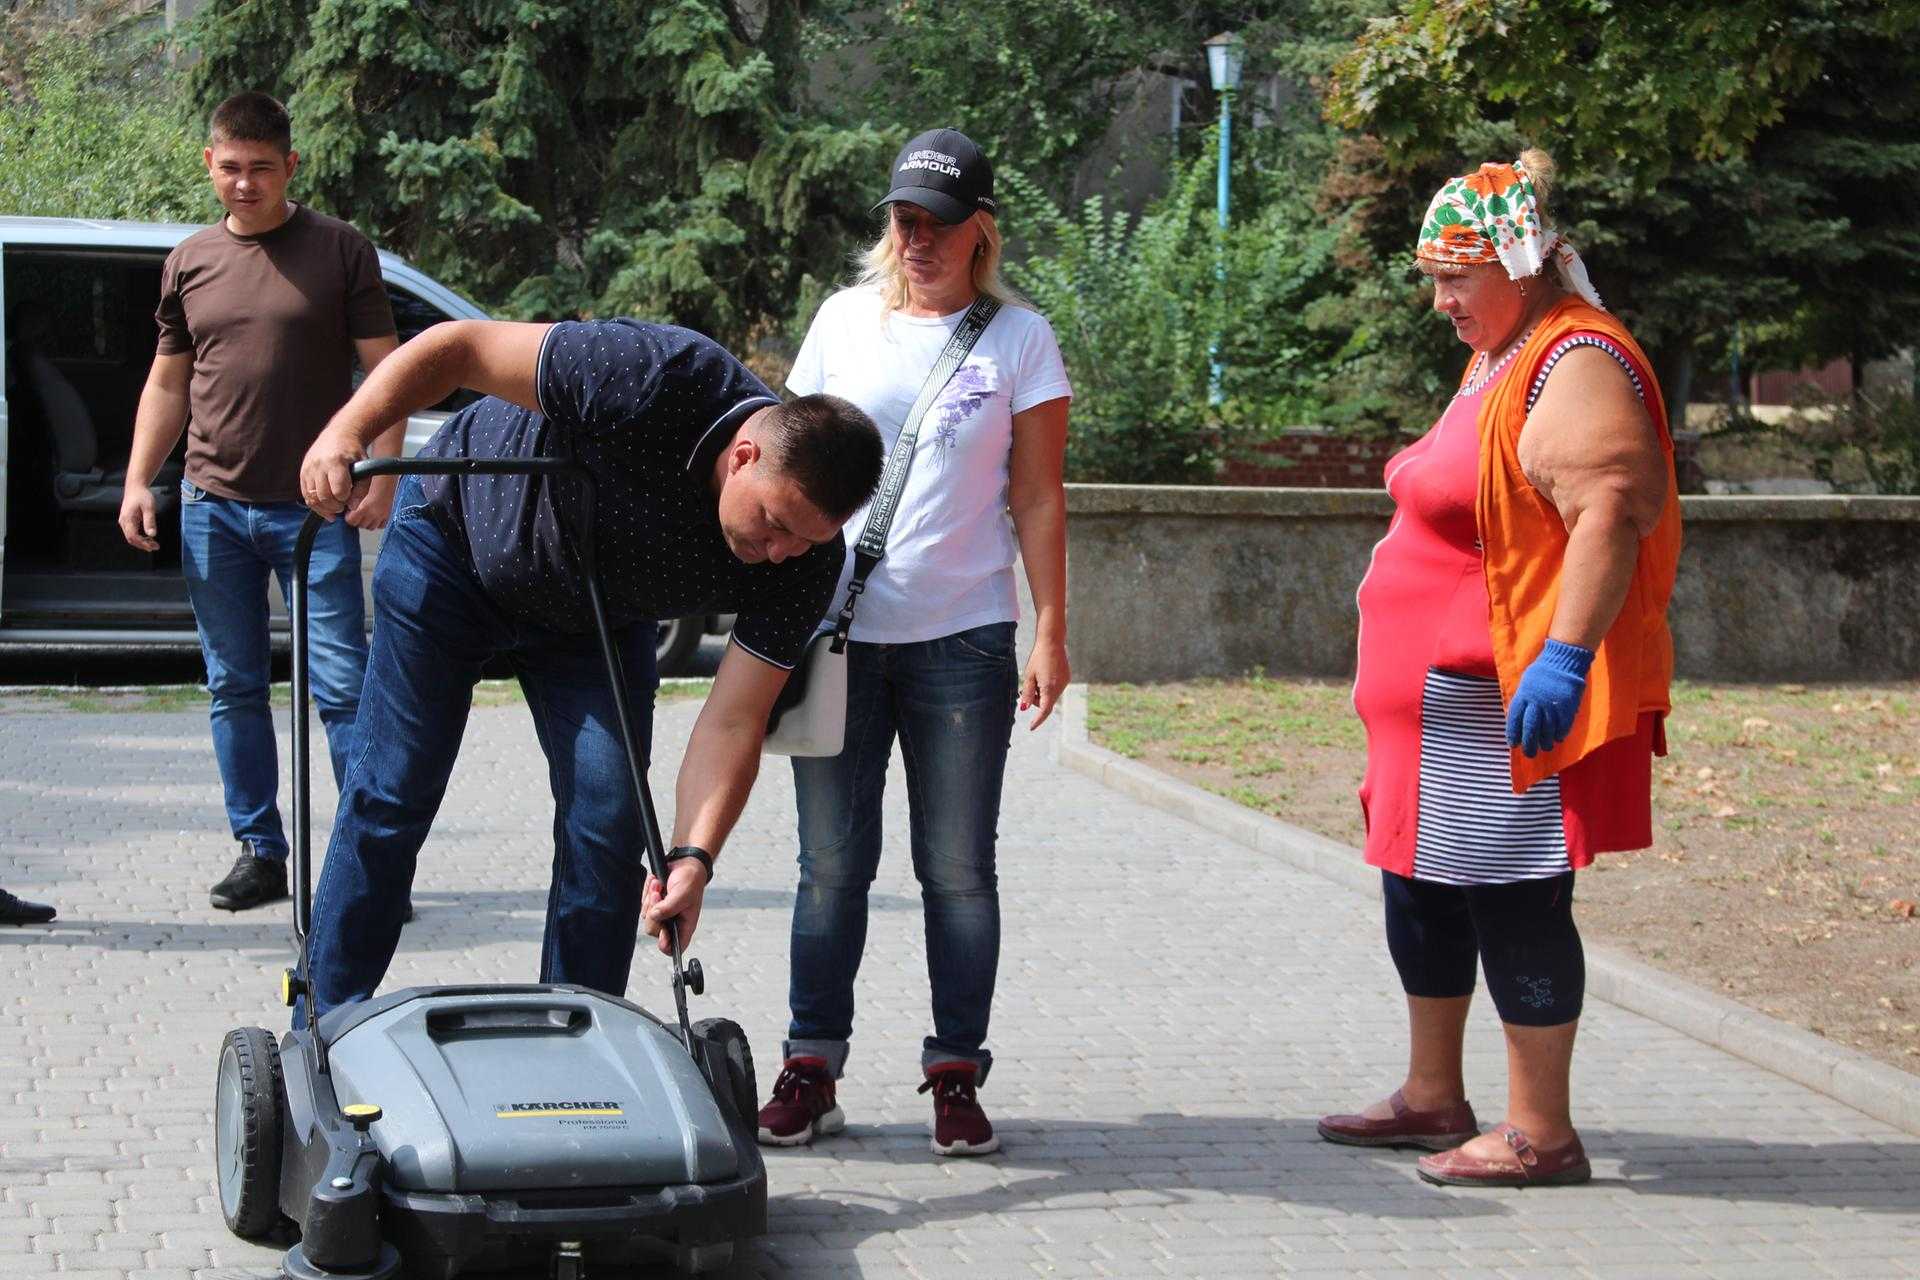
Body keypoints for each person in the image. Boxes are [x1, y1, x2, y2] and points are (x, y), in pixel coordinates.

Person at [293, 316, 884, 1019]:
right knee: (394, 792)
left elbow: (735, 720)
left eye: (805, 540)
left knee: (608, 822)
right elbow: (460, 347)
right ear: (744, 456)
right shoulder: (653, 374)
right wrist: (347, 431)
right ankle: (324, 1021)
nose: (782, 552)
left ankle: (578, 1031)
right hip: (454, 544)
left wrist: (693, 858)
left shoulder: (807, 561)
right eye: (776, 524)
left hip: (594, 614)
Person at [1318, 150, 1681, 1188]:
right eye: (1432, 278)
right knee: (1423, 891)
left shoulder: (1576, 357)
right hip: (1436, 708)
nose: (1439, 301)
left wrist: (1564, 658)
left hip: (1497, 697)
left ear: (1517, 264)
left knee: (1513, 897)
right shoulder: (1505, 349)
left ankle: (1540, 1131)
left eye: (1454, 277)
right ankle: (1433, 1092)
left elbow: (1609, 507)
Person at [755, 129, 1072, 1157]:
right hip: (840, 634)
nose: (917, 240)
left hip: (963, 639)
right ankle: (811, 1066)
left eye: (937, 223)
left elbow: (1038, 495)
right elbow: (788, 456)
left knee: (958, 868)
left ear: (982, 229)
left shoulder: (1021, 340)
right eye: (903, 221)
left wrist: (1051, 629)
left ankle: (955, 1071)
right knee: (830, 865)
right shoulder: (844, 320)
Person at [120, 91, 402, 912]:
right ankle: (259, 852)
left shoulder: (340, 250)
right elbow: (168, 383)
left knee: (343, 688)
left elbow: (387, 370)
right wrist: (139, 480)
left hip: (316, 511)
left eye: (263, 169)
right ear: (209, 164)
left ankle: (369, 863)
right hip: (211, 507)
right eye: (231, 168)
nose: (245, 184)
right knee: (234, 687)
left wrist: (382, 474)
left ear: (291, 167)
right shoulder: (190, 261)